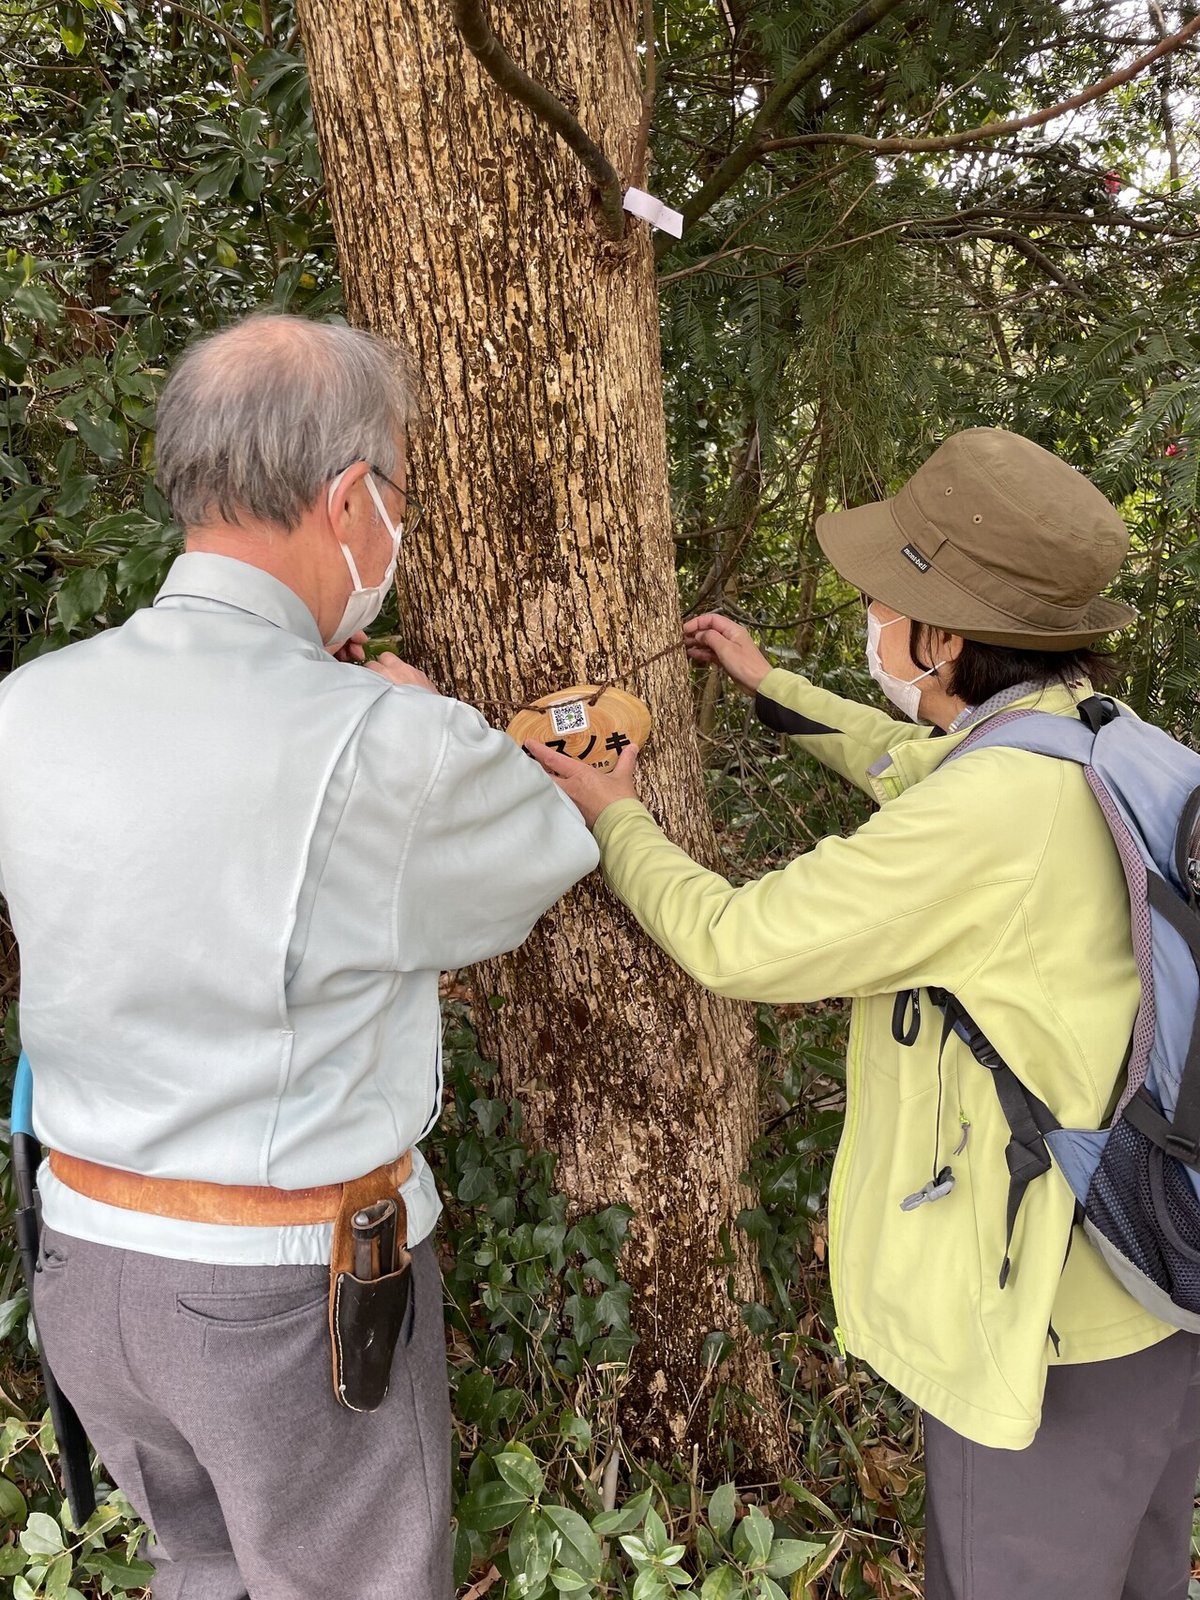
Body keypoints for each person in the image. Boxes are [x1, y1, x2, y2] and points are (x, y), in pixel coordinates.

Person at [532, 428, 1200, 1600]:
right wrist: (766, 683)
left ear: (945, 636)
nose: (873, 620)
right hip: (1153, 1281)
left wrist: (614, 812)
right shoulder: (1108, 743)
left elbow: (735, 942)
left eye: (888, 600)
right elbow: (909, 757)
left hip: (1042, 1331)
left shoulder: (992, 807)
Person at [0, 312, 598, 1600]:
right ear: (347, 499)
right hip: (283, 1295)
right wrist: (427, 719)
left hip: (86, 1263)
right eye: (398, 491)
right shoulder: (386, 746)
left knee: (198, 1571)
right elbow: (545, 842)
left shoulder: (25, 709)